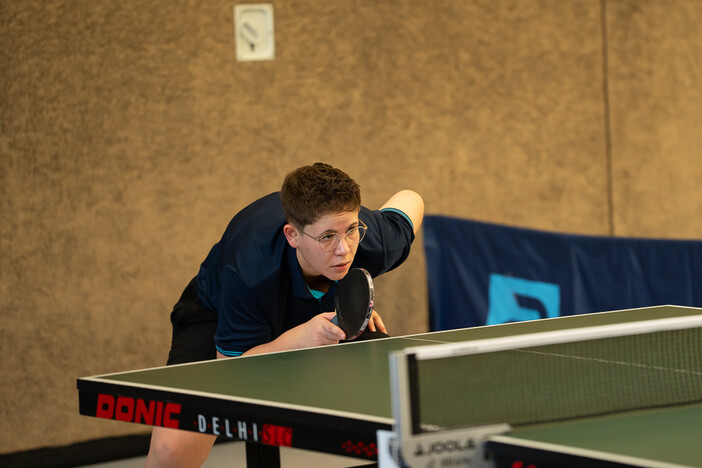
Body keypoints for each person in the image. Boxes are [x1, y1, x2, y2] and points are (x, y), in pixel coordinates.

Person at [145, 162, 424, 467]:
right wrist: (301, 337)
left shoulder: (370, 239)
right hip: (218, 313)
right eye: (327, 237)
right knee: (172, 451)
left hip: (318, 312)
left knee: (402, 397)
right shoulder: (249, 272)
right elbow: (232, 372)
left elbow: (411, 199)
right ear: (293, 235)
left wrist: (352, 300)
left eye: (351, 231)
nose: (344, 250)